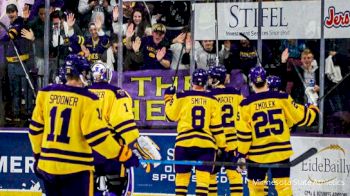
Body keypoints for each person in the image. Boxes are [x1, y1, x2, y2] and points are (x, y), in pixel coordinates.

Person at [28, 54, 138, 196]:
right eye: (86, 73)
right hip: (76, 170)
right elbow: (98, 138)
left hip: (48, 167)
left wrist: (38, 156)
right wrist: (123, 154)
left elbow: (35, 131)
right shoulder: (88, 99)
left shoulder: (45, 94)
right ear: (80, 73)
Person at [236, 66, 319, 196]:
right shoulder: (283, 98)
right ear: (266, 81)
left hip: (257, 155)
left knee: (256, 189)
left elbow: (244, 135)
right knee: (284, 189)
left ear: (251, 83)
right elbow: (302, 119)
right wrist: (313, 107)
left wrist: (241, 155)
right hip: (281, 153)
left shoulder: (245, 104)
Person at [88, 61, 160, 195]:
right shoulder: (117, 93)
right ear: (108, 75)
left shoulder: (83, 94)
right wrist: (136, 143)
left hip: (87, 150)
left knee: (90, 187)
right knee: (116, 186)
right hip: (112, 149)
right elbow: (123, 123)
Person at [164, 69, 226, 196]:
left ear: (192, 81)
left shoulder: (182, 95)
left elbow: (170, 117)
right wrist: (222, 146)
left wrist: (168, 98)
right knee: (203, 184)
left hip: (184, 144)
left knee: (181, 182)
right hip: (206, 145)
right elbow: (217, 128)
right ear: (205, 83)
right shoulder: (213, 100)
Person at [207, 65, 244, 196]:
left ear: (216, 79)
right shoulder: (236, 92)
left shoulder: (209, 95)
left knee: (211, 177)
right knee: (235, 176)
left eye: (211, 77)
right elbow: (244, 113)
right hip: (234, 141)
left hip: (215, 142)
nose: (209, 80)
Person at [1, 4, 35, 125]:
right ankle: (16, 114)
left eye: (13, 11)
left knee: (26, 89)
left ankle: (28, 113)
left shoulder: (19, 22)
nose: (11, 14)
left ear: (16, 12)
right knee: (14, 90)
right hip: (11, 64)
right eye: (8, 12)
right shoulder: (10, 24)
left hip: (22, 63)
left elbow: (10, 35)